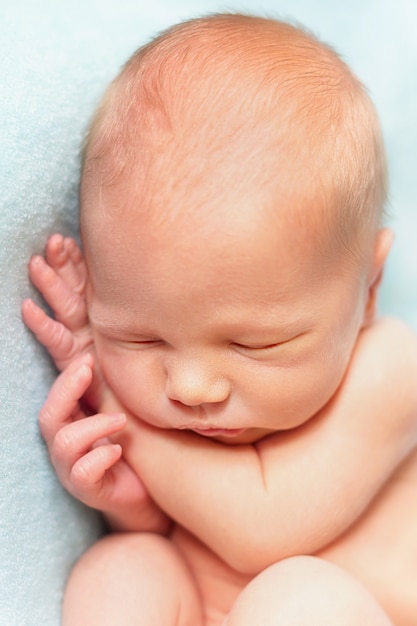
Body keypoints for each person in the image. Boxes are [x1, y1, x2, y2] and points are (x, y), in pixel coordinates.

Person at [22, 13, 417, 626]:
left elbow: (262, 528)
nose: (191, 388)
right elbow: (184, 521)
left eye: (254, 344)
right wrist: (122, 497)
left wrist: (107, 392)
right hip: (210, 609)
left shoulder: (392, 368)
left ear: (368, 286)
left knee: (299, 597)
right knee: (122, 567)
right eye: (141, 335)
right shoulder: (189, 401)